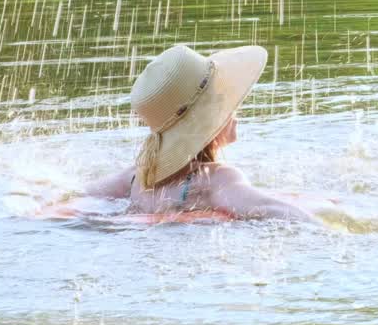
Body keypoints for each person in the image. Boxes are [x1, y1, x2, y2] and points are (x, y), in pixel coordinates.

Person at [82, 43, 319, 224]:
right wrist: (333, 230)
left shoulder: (135, 179)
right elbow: (269, 208)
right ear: (212, 114)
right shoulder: (215, 180)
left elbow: (77, 194)